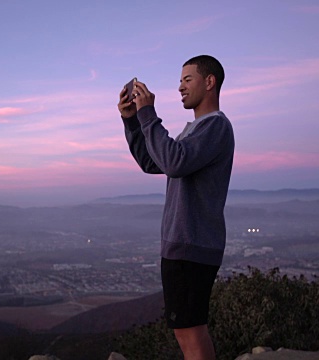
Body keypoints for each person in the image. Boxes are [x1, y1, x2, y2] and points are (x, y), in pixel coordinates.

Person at [117, 55, 235, 360]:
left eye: (187, 79)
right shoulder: (193, 132)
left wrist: (148, 114)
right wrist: (132, 119)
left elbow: (174, 161)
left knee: (190, 332)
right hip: (182, 245)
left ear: (209, 82)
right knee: (188, 331)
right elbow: (151, 161)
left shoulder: (215, 127)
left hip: (192, 245)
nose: (179, 87)